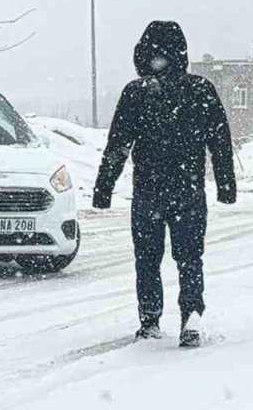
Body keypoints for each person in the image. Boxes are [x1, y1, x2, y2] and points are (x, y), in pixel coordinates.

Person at [94, 21, 237, 348]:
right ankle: (192, 315)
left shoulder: (136, 93)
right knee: (189, 256)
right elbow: (220, 142)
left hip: (149, 191)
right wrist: (225, 185)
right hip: (188, 189)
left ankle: (150, 320)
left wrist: (104, 188)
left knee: (147, 258)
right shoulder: (201, 90)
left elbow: (118, 145)